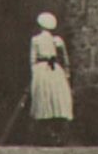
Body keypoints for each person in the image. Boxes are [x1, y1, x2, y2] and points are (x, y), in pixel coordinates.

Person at [28, 11, 73, 141]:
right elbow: (66, 59)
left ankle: (51, 131)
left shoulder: (37, 40)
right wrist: (67, 74)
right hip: (55, 70)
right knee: (57, 97)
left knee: (44, 97)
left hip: (42, 70)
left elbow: (32, 60)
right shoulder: (57, 40)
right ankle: (52, 132)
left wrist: (34, 74)